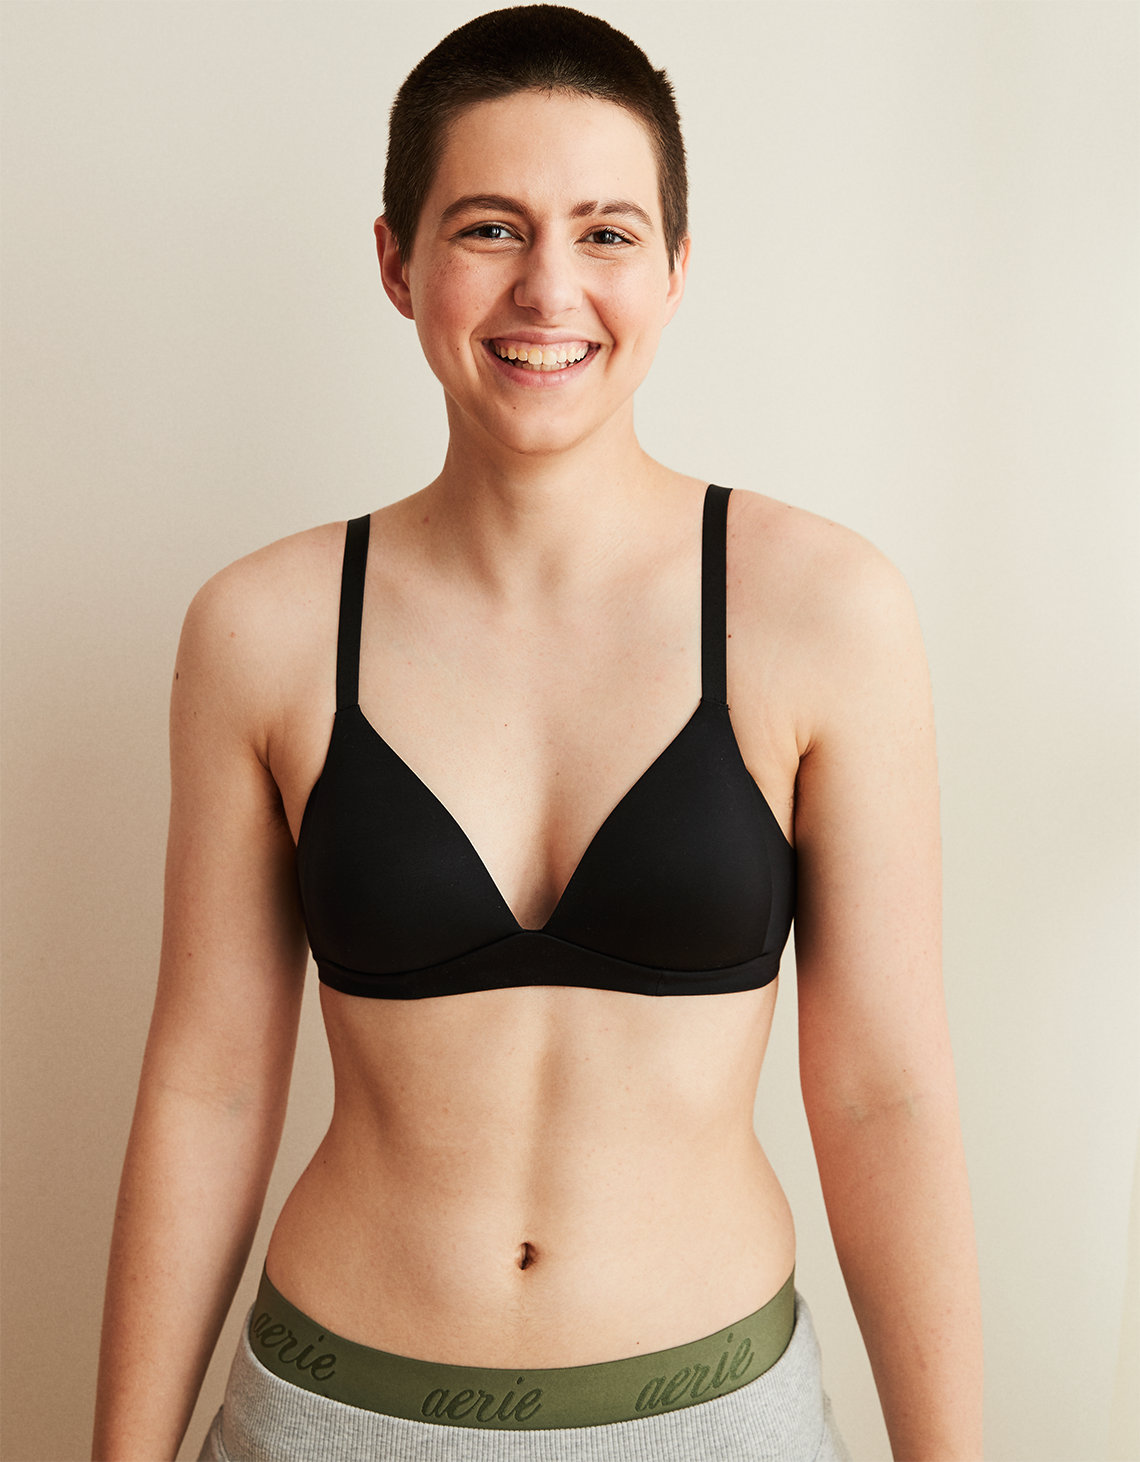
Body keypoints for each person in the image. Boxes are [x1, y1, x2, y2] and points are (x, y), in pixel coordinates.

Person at [92, 7, 983, 1460]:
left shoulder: (824, 612)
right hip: (329, 1416)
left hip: (712, 1422)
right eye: (491, 228)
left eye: (607, 233)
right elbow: (211, 1083)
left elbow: (884, 1093)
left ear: (677, 267)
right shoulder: (263, 627)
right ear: (397, 260)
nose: (548, 288)